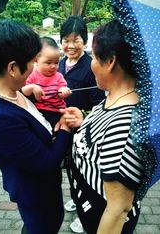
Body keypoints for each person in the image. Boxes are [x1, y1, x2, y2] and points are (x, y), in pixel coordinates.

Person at [0, 19, 82, 234]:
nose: (36, 67)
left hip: (40, 188)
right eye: (33, 61)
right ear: (12, 68)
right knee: (43, 227)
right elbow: (47, 163)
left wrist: (29, 92)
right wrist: (64, 129)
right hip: (35, 193)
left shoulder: (8, 89)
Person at [66, 19, 144, 234]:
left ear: (110, 61)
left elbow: (119, 209)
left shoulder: (126, 124)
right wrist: (84, 121)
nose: (90, 62)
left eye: (93, 55)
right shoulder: (114, 97)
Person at [59, 15, 105, 233]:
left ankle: (84, 212)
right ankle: (75, 200)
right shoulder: (58, 64)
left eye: (76, 40)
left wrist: (83, 117)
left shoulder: (90, 67)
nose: (71, 45)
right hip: (65, 129)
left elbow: (98, 104)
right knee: (70, 168)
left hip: (84, 133)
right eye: (66, 40)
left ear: (85, 42)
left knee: (84, 174)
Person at [21, 36, 71, 129]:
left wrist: (64, 91)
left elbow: (62, 90)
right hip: (39, 110)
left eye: (56, 63)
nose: (53, 66)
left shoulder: (58, 76)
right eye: (48, 63)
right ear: (36, 61)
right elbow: (24, 91)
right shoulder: (33, 75)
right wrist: (32, 87)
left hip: (56, 111)